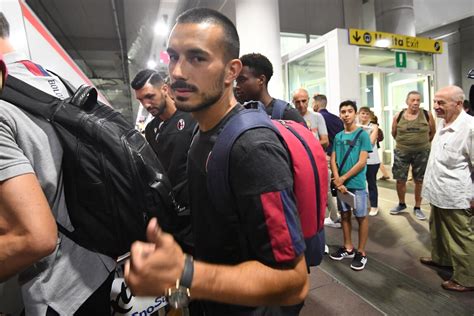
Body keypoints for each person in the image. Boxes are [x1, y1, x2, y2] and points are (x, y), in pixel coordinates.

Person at [125, 7, 308, 315]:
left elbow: (294, 281)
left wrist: (184, 274)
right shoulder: (200, 133)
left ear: (231, 71)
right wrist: (179, 299)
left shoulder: (252, 148)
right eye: (173, 57)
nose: (178, 72)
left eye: (197, 58)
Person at [0, 12, 115, 315]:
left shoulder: (3, 103)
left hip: (56, 292)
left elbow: (36, 237)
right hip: (96, 263)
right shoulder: (54, 81)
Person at [131, 69, 196, 253]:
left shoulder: (192, 119)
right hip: (170, 217)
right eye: (141, 100)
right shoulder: (151, 129)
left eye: (150, 96)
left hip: (195, 218)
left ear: (165, 89)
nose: (146, 104)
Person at [420, 85, 474, 292]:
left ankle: (467, 278)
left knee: (461, 237)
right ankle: (441, 259)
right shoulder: (443, 124)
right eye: (435, 102)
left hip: (457, 196)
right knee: (438, 231)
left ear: (458, 104)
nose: (436, 106)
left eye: (441, 102)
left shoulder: (469, 128)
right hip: (438, 192)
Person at [329, 100, 372, 271]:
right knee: (345, 215)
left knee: (361, 217)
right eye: (343, 111)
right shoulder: (338, 136)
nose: (346, 114)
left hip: (357, 184)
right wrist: (338, 179)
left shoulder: (362, 135)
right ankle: (348, 247)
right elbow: (333, 158)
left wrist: (343, 178)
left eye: (349, 111)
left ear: (355, 113)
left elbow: (362, 162)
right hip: (342, 186)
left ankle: (361, 252)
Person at [390, 91, 436, 220]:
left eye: (418, 100)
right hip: (402, 152)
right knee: (400, 179)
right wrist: (406, 144)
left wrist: (422, 144)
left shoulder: (427, 115)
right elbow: (394, 133)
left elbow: (432, 132)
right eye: (413, 100)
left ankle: (417, 207)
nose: (415, 102)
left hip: (422, 152)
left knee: (420, 180)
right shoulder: (398, 115)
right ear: (407, 101)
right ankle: (401, 204)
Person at [235, 52, 306, 124]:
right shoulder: (243, 114)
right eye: (236, 81)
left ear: (261, 80)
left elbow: (305, 135)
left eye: (242, 80)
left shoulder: (287, 114)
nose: (237, 86)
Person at [313, 93, 344, 228]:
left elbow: (323, 140)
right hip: (337, 157)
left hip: (325, 157)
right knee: (338, 185)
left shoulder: (318, 118)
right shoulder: (337, 119)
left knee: (326, 189)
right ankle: (342, 214)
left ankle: (334, 217)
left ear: (317, 104)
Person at [358, 107, 380, 216]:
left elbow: (371, 141)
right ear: (359, 114)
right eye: (362, 113)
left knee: (371, 184)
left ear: (370, 115)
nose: (365, 116)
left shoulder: (374, 126)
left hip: (372, 160)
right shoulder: (356, 126)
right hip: (359, 160)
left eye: (367, 114)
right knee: (360, 184)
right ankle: (361, 205)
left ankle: (374, 206)